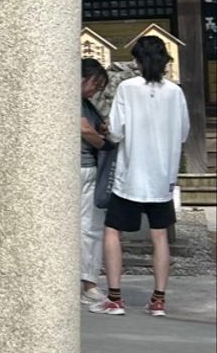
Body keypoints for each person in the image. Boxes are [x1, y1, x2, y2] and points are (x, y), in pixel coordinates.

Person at [91, 34, 190, 317]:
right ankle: (158, 300)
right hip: (162, 178)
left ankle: (114, 298)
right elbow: (183, 133)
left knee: (113, 232)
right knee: (160, 237)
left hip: (131, 175)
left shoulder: (126, 87)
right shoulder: (175, 92)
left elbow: (118, 131)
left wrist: (108, 130)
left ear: (136, 60)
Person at [79, 57, 110, 305]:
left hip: (87, 167)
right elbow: (85, 130)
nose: (96, 89)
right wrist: (106, 146)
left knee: (88, 227)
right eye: (95, 83)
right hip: (82, 166)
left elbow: (96, 127)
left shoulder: (87, 104)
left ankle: (86, 281)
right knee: (90, 227)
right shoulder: (75, 102)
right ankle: (88, 283)